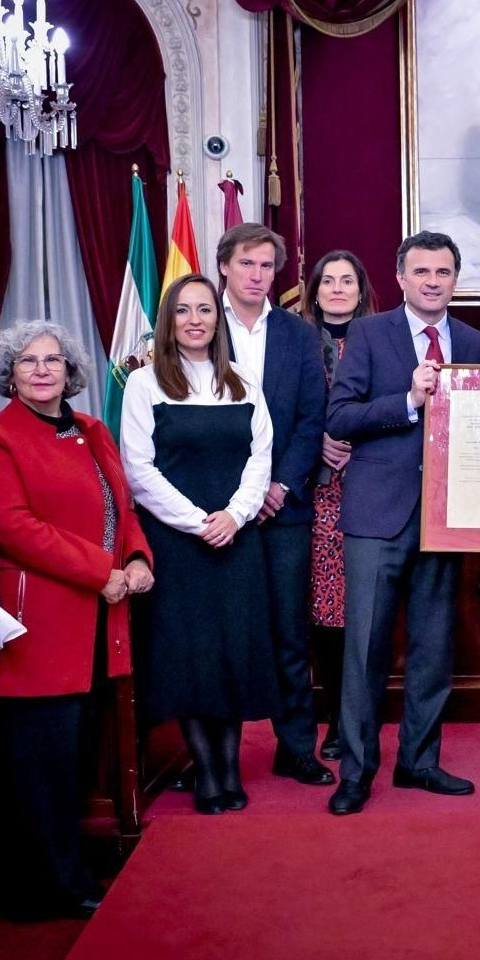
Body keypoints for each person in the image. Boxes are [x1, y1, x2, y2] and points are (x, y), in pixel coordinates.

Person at [0, 320, 154, 920]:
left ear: (71, 372)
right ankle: (41, 891)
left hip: (103, 619)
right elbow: (15, 527)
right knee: (36, 765)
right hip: (41, 624)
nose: (44, 370)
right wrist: (104, 569)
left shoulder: (92, 428)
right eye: (29, 361)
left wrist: (136, 557)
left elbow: (119, 506)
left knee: (73, 760)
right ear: (10, 375)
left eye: (54, 360)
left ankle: (68, 877)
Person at [324, 231, 480, 814]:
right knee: (365, 649)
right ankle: (356, 771)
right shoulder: (370, 334)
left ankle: (419, 762)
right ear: (399, 278)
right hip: (377, 514)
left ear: (454, 280)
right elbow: (340, 416)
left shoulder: (472, 340)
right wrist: (406, 401)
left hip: (446, 518)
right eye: (421, 272)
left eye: (443, 272)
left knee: (433, 648)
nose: (432, 282)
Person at [121, 274, 278, 815]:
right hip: (179, 541)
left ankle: (231, 769)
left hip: (236, 538)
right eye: (183, 310)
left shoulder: (241, 382)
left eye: (205, 310)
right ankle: (207, 774)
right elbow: (138, 471)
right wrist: (197, 522)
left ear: (218, 318)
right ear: (169, 321)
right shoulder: (145, 385)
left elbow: (261, 458)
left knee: (233, 652)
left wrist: (234, 516)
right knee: (190, 657)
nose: (195, 320)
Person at [217, 222, 332, 789]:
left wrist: (281, 484)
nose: (258, 276)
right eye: (247, 264)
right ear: (224, 267)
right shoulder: (197, 325)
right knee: (227, 633)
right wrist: (237, 498)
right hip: (215, 513)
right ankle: (221, 758)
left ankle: (296, 748)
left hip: (283, 509)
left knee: (289, 633)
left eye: (267, 266)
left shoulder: (298, 333)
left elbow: (313, 417)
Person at [302, 250, 372, 762]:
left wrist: (354, 437)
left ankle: (360, 715)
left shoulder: (382, 338)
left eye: (347, 280)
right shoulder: (297, 341)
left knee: (364, 610)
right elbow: (277, 409)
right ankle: (333, 719)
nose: (338, 288)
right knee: (326, 613)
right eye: (329, 280)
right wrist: (318, 444)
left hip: (371, 484)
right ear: (315, 289)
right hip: (314, 492)